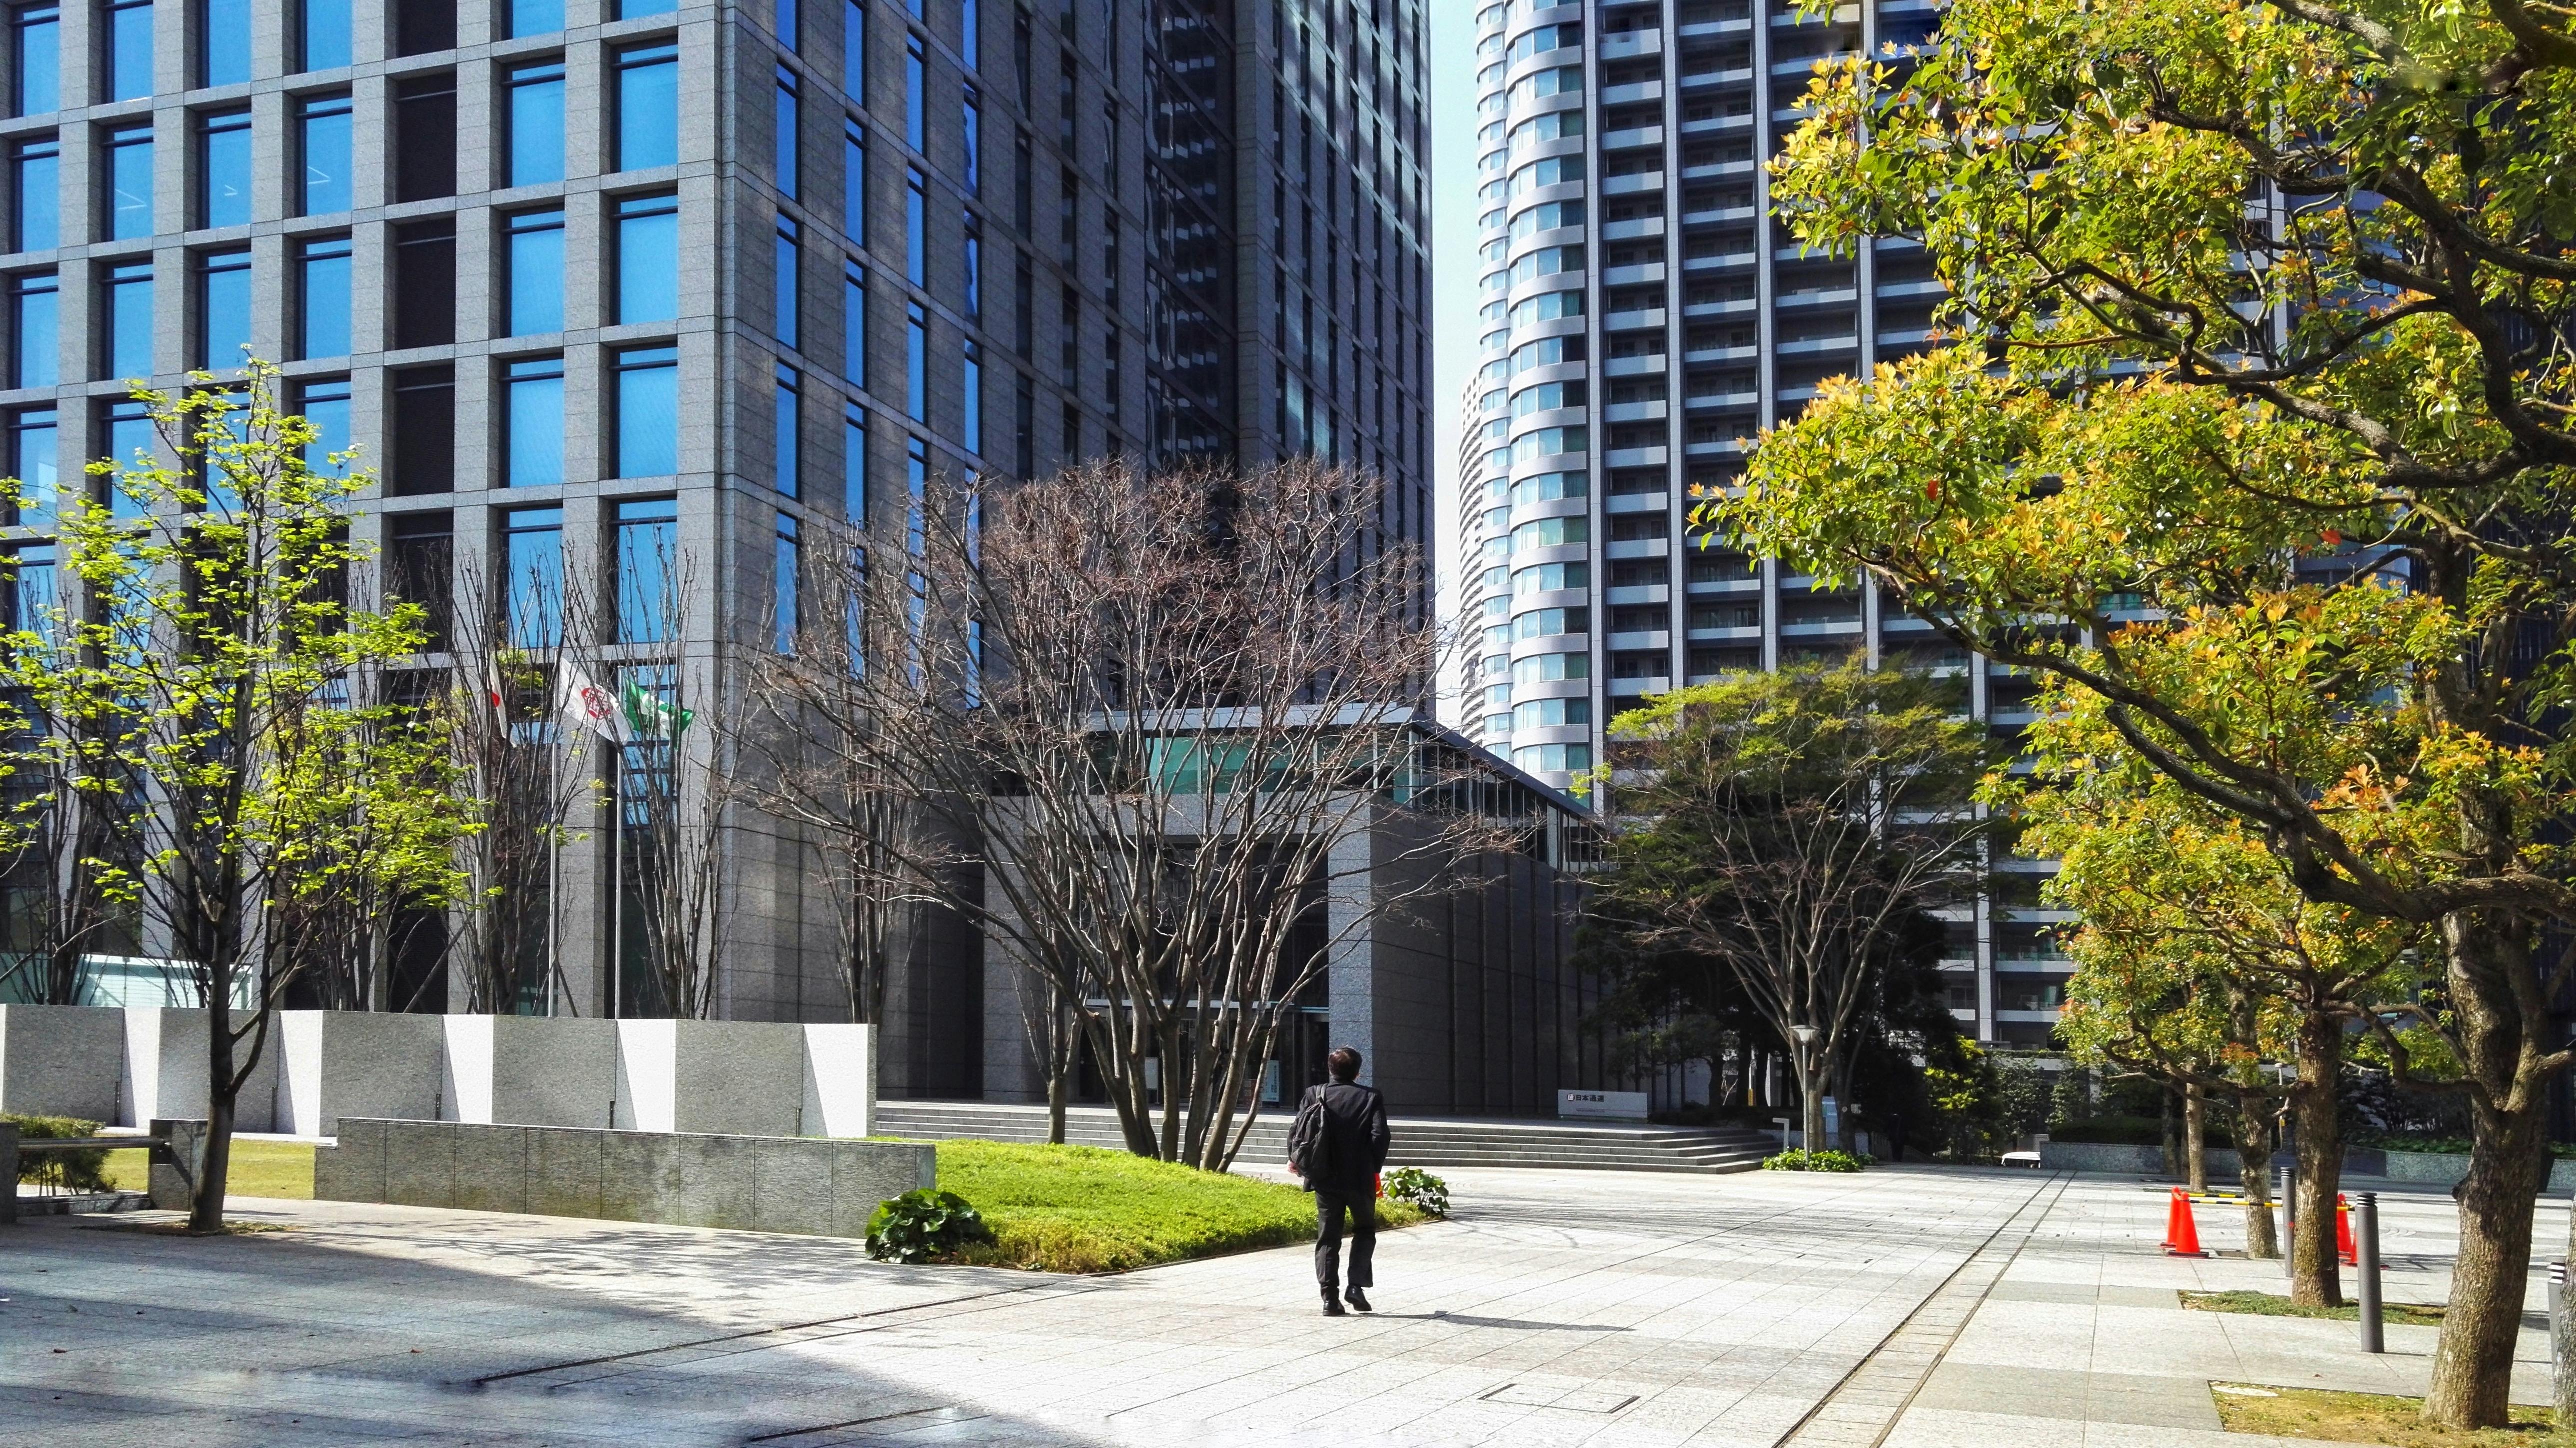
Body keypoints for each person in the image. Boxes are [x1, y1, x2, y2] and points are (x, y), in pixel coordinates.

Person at [1286, 1046, 1392, 1316]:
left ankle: (1329, 1300)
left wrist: (1297, 1160)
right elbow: (1380, 1136)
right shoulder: (1371, 1097)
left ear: (1330, 1069)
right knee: (1366, 1230)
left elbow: (1298, 1130)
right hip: (1359, 1178)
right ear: (1358, 1072)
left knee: (1329, 1238)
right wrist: (1372, 1166)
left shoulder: (1314, 1094)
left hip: (1324, 1178)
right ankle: (1356, 1287)